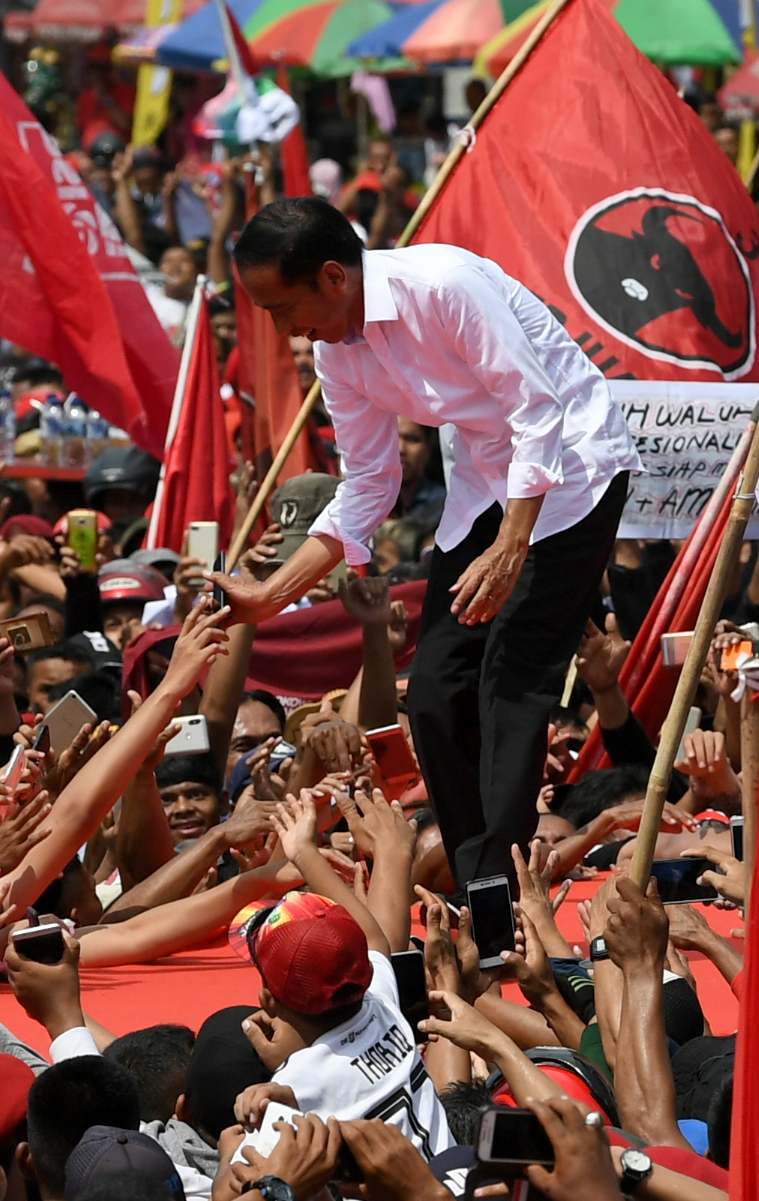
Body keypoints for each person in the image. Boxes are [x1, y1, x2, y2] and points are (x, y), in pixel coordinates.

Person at [216, 197, 641, 889]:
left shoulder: (444, 285)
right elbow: (369, 483)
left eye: (283, 308)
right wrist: (268, 596)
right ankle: (479, 880)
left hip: (575, 468)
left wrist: (512, 547)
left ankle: (501, 884)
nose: (283, 329)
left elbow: (537, 410)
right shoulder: (335, 354)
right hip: (485, 482)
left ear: (333, 277)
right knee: (438, 690)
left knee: (511, 677)